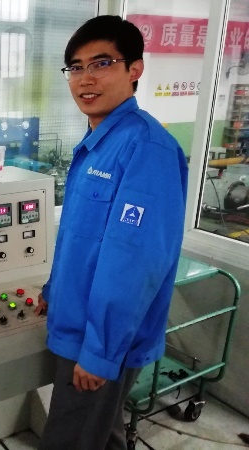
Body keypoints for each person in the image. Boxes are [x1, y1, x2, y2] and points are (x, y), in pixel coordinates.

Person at [34, 15, 188, 450]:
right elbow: (80, 238)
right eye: (76, 67)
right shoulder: (98, 143)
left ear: (134, 69)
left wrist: (101, 352)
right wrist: (53, 290)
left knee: (71, 438)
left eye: (102, 63)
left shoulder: (146, 149)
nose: (86, 78)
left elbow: (134, 260)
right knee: (99, 433)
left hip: (99, 338)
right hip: (78, 321)